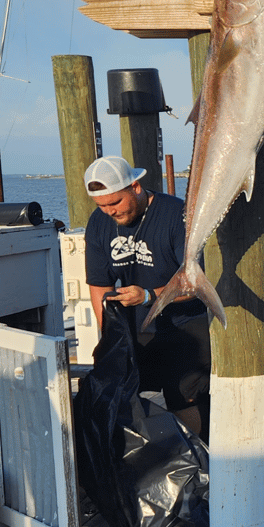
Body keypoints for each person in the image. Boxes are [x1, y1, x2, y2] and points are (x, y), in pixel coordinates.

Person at [83, 155, 211, 440]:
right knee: (116, 389)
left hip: (184, 322)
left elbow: (195, 280)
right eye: (102, 206)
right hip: (136, 325)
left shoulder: (176, 215)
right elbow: (98, 285)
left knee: (185, 397)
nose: (110, 212)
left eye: (115, 203)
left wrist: (149, 296)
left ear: (136, 187)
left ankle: (199, 461)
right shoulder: (99, 222)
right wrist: (109, 334)